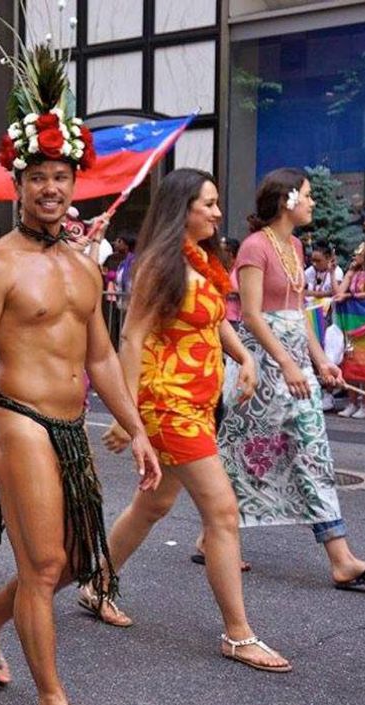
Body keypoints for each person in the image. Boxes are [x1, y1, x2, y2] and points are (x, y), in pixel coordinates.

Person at [0, 36, 160, 705]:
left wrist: (137, 428)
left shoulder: (81, 266)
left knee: (79, 560)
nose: (50, 188)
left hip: (72, 429)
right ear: (17, 181)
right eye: (37, 176)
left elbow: (99, 355)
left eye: (60, 177)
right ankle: (52, 702)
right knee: (43, 566)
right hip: (21, 424)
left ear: (75, 183)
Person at [85, 169, 288, 673]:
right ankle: (238, 635)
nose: (219, 213)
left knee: (153, 505)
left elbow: (215, 319)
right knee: (221, 512)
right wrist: (129, 418)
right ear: (183, 208)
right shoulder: (158, 265)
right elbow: (130, 340)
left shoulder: (203, 260)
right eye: (210, 204)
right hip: (167, 404)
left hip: (199, 402)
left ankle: (96, 584)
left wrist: (246, 359)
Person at [218, 167, 365, 590]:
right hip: (260, 366)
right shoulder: (254, 247)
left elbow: (299, 314)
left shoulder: (295, 246)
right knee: (242, 453)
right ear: (287, 200)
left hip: (295, 362)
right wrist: (285, 363)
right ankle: (214, 534)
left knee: (312, 451)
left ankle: (341, 559)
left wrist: (320, 361)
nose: (313, 202)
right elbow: (250, 314)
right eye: (308, 194)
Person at [333, 242, 365, 419]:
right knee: (350, 361)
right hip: (352, 321)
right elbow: (339, 291)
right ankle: (352, 402)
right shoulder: (356, 271)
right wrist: (349, 273)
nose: (355, 255)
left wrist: (350, 296)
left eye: (359, 253)